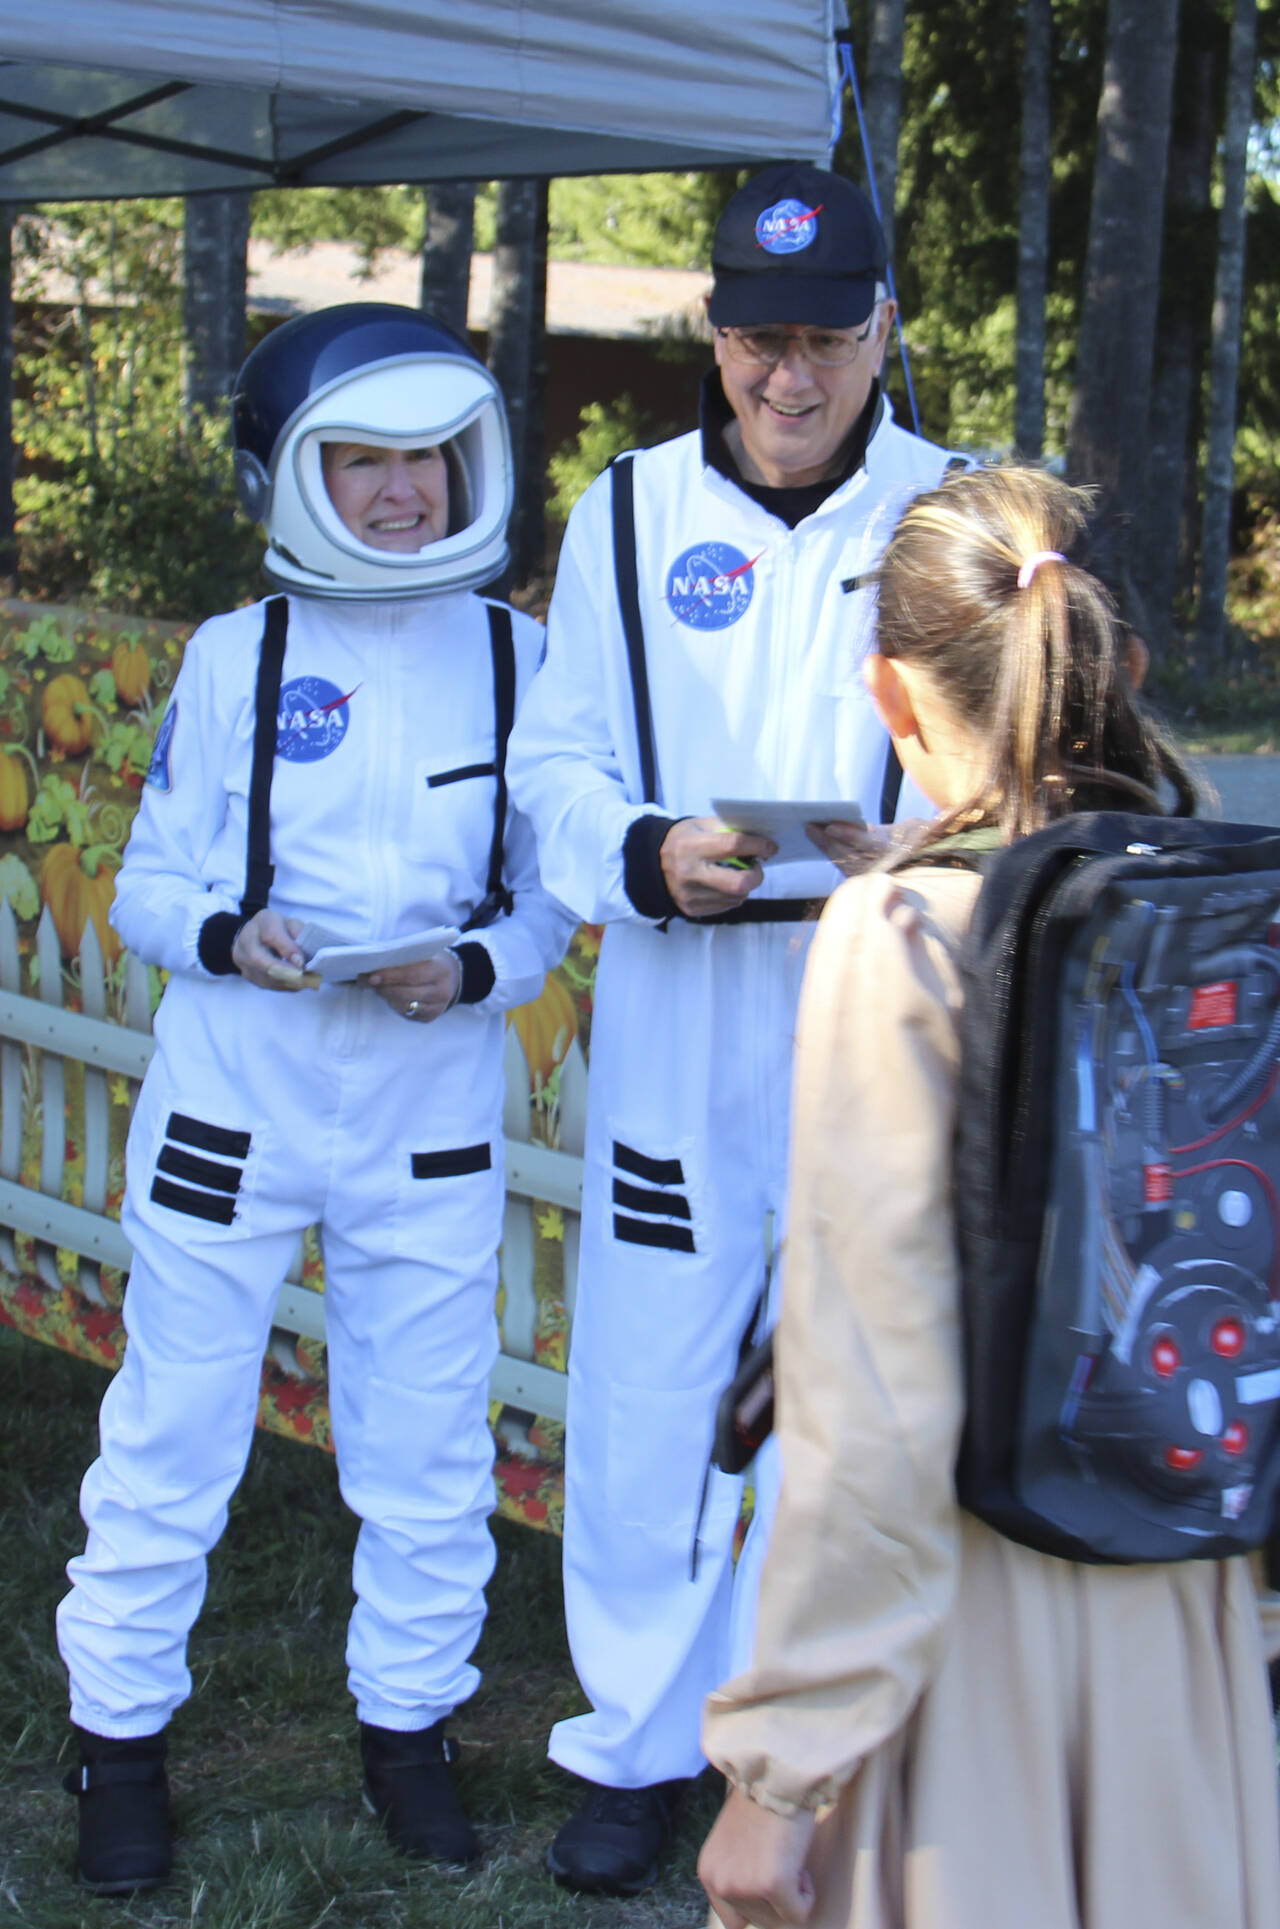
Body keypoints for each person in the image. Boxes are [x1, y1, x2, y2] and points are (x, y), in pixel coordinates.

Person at [692, 465, 1280, 1929]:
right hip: (1190, 1585)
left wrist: (780, 1771)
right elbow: (1254, 1263)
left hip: (971, 1619)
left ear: (890, 699)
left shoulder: (899, 934)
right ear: (1122, 666)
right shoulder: (1225, 901)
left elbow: (876, 1380)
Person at [55, 303, 577, 1894]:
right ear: (292, 479)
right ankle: (119, 1743)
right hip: (236, 1101)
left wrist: (473, 971)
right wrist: (238, 937)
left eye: (428, 457)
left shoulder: (518, 653)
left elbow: (548, 901)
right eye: (363, 460)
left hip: (427, 1109)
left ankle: (409, 1732)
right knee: (173, 1428)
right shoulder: (236, 654)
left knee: (424, 1440)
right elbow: (147, 886)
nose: (406, 491)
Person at [505, 163, 959, 1894]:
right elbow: (554, 763)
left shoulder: (951, 513)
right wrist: (642, 848)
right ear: (710, 328)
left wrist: (932, 840)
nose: (789, 377)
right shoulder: (623, 511)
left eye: (827, 340)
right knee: (651, 1373)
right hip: (680, 1003)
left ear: (880, 334)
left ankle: (814, 1739)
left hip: (879, 1007)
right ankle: (634, 1738)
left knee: (854, 1382)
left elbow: (1042, 752)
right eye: (759, 339)